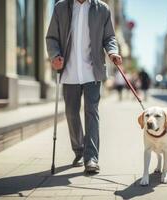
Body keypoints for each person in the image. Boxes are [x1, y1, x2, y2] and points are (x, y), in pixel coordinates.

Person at [46, 0, 122, 173]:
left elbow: (109, 36)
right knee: (71, 113)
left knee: (91, 112)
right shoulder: (61, 7)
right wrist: (55, 55)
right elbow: (51, 37)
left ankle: (91, 158)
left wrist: (113, 51)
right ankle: (79, 150)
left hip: (92, 72)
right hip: (69, 71)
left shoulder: (102, 9)